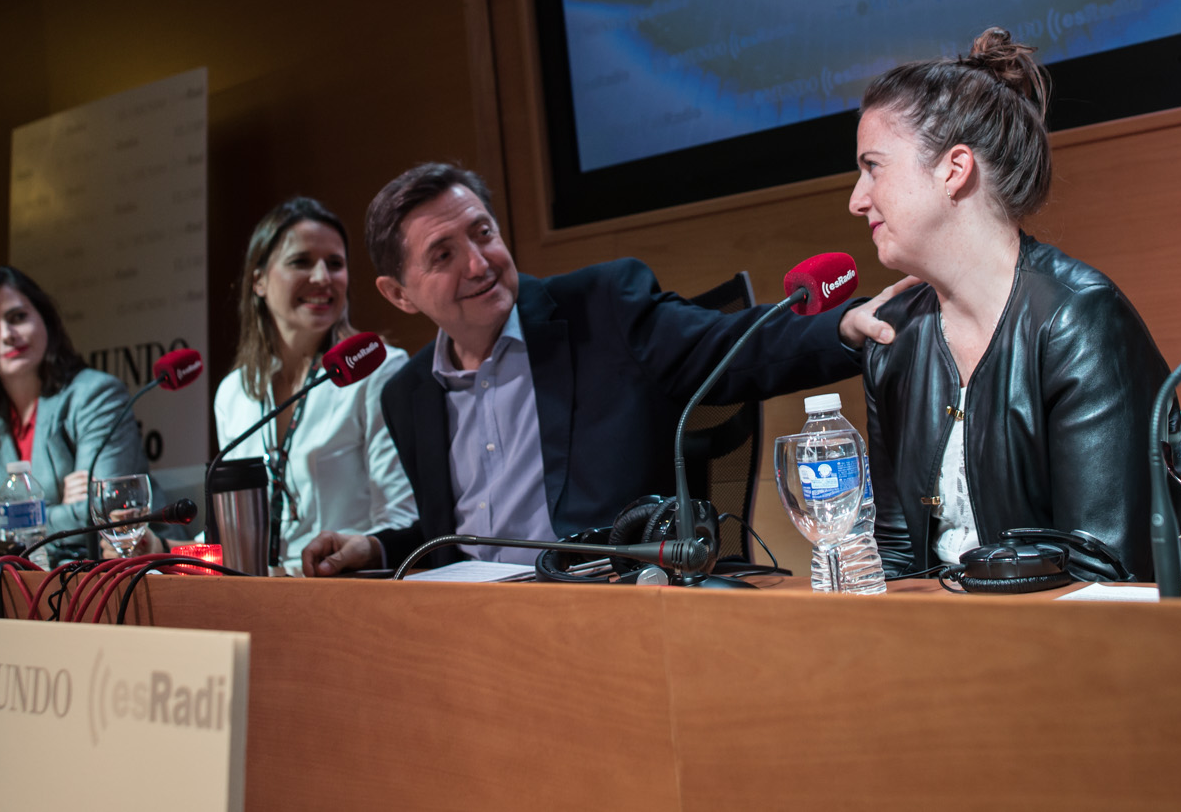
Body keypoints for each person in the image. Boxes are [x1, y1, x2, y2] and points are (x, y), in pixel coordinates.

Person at [300, 163, 907, 575]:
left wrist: (843, 325)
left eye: (483, 233)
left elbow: (730, 346)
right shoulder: (407, 395)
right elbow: (456, 538)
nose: (479, 263)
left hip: (604, 603)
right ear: (399, 294)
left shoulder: (603, 310)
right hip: (473, 627)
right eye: (443, 254)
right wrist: (375, 547)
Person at [853, 27, 1181, 581]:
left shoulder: (1080, 319)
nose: (857, 200)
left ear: (954, 169)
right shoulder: (892, 339)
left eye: (872, 167)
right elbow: (898, 556)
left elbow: (1103, 568)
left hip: (1085, 628)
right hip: (950, 628)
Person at [213, 197, 415, 574]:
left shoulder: (379, 370)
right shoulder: (233, 392)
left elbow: (402, 518)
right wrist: (159, 546)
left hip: (346, 584)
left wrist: (361, 551)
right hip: (255, 590)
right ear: (258, 281)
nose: (323, 277)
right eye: (301, 261)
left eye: (335, 264)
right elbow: (233, 531)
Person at [0, 267, 146, 560]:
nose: (7, 335)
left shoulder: (96, 395)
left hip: (106, 571)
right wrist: (49, 514)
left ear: (45, 318)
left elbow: (102, 515)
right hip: (6, 576)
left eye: (18, 317)